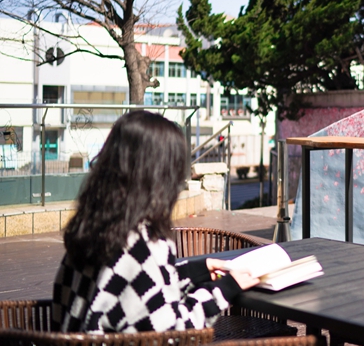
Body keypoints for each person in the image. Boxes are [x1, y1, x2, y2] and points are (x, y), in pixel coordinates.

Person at [52, 110, 259, 333]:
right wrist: (225, 289)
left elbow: (138, 288)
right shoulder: (144, 243)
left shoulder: (92, 228)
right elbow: (172, 330)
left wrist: (198, 270)